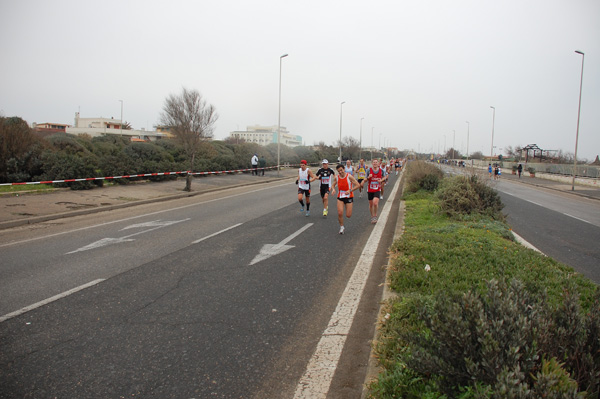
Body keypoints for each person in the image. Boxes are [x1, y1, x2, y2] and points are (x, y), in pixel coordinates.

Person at [333, 163, 360, 234]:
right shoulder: (337, 177)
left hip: (349, 196)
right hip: (340, 197)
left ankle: (347, 207)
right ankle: (342, 227)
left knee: (348, 215)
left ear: (344, 169)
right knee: (340, 212)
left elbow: (358, 185)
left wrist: (350, 190)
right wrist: (333, 189)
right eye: (339, 171)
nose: (340, 172)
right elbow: (333, 185)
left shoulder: (349, 176)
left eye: (341, 170)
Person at [362, 159, 387, 224]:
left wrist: (381, 180)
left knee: (375, 203)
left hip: (377, 189)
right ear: (372, 163)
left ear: (378, 163)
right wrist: (368, 177)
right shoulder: (368, 170)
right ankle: (372, 216)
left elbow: (385, 177)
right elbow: (365, 179)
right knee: (371, 204)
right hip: (370, 189)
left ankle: (375, 215)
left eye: (376, 162)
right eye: (374, 162)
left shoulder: (381, 170)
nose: (375, 163)